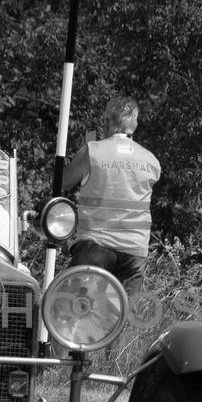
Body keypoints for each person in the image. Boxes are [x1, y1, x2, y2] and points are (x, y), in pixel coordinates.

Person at [60, 95, 160, 300]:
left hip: (96, 247)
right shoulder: (151, 161)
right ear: (136, 124)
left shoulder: (93, 151)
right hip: (134, 253)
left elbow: (62, 183)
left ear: (106, 121)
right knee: (120, 320)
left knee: (69, 315)